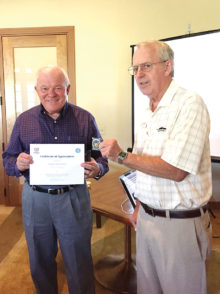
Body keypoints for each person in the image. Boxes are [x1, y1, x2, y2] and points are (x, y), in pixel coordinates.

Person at [99, 40, 212, 294]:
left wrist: (121, 156)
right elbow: (144, 169)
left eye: (146, 66)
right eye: (135, 68)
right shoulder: (149, 112)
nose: (139, 74)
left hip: (178, 224)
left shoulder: (189, 104)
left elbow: (176, 170)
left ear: (168, 66)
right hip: (147, 219)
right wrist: (139, 206)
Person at [2, 66, 109, 294]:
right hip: (35, 199)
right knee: (40, 261)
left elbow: (101, 157)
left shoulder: (86, 119)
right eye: (45, 88)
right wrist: (16, 163)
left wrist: (97, 167)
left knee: (78, 259)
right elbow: (8, 158)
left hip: (73, 197)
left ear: (67, 89)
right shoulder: (24, 121)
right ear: (37, 90)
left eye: (58, 88)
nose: (51, 93)